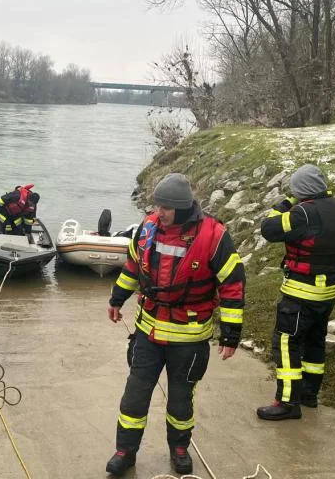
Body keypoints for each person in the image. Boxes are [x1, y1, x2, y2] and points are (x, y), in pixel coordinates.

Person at [105, 173, 245, 477]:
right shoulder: (148, 227)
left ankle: (179, 449)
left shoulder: (214, 235)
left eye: (165, 208)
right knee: (134, 396)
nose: (159, 212)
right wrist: (117, 299)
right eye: (157, 206)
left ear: (181, 208)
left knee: (181, 400)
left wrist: (231, 334)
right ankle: (125, 451)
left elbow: (233, 284)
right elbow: (132, 266)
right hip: (148, 333)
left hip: (190, 338)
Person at [256, 164, 335, 421]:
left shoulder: (302, 214)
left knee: (287, 344)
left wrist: (285, 202)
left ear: (301, 190)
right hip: (329, 290)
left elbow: (269, 228)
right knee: (315, 342)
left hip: (301, 292)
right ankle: (310, 394)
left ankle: (287, 402)